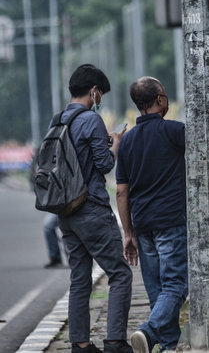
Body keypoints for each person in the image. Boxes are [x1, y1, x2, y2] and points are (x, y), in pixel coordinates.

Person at [116, 77, 209, 352]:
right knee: (175, 285)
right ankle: (149, 332)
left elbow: (121, 192)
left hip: (142, 226)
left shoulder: (126, 141)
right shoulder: (172, 131)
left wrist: (128, 233)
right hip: (171, 222)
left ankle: (168, 345)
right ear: (160, 100)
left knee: (158, 292)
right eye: (165, 93)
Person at [57, 64, 134, 353]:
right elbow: (104, 165)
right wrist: (115, 143)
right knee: (120, 273)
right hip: (91, 209)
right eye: (100, 94)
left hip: (66, 211)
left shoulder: (59, 119)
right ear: (94, 91)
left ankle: (81, 344)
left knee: (79, 277)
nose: (100, 99)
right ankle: (115, 342)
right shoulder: (90, 119)